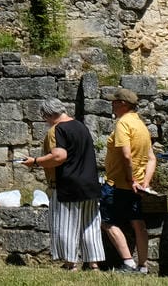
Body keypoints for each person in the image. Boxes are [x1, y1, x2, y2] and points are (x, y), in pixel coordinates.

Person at [22, 98, 105, 269]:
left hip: (69, 184)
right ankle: (93, 264)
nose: (45, 122)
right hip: (90, 183)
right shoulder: (81, 126)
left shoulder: (59, 129)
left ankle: (70, 263)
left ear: (49, 114)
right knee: (90, 226)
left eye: (45, 118)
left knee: (66, 225)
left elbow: (59, 156)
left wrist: (35, 161)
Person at [103, 88, 157, 273]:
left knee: (107, 220)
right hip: (137, 186)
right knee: (138, 223)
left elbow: (126, 155)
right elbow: (152, 158)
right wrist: (145, 182)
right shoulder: (141, 125)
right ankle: (143, 265)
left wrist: (130, 178)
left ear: (123, 104)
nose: (112, 104)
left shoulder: (123, 124)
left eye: (115, 102)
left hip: (118, 184)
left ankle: (128, 262)